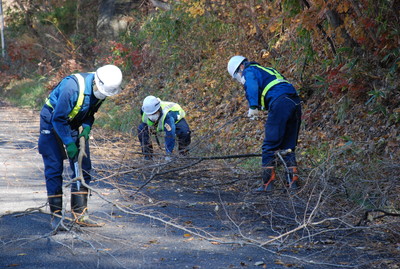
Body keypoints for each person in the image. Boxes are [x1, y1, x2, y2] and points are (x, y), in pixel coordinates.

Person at [38, 64, 123, 230]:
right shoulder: (72, 88)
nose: (103, 95)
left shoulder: (103, 90)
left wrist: (87, 128)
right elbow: (58, 118)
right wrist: (69, 143)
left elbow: (89, 114)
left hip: (73, 122)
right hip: (52, 119)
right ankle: (56, 217)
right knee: (54, 166)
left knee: (82, 165)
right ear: (96, 82)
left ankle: (80, 214)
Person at [227, 55, 302, 192]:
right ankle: (293, 184)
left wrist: (253, 106)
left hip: (280, 102)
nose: (239, 78)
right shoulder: (266, 70)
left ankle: (267, 184)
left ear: (241, 67)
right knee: (288, 146)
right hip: (294, 102)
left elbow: (252, 85)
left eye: (237, 75)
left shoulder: (249, 71)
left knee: (269, 145)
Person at [137, 95, 191, 160]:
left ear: (158, 110)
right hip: (158, 124)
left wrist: (168, 154)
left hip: (176, 121)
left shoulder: (168, 115)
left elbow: (170, 135)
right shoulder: (144, 110)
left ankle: (183, 155)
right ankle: (148, 157)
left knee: (185, 132)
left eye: (154, 113)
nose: (151, 116)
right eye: (149, 114)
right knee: (141, 129)